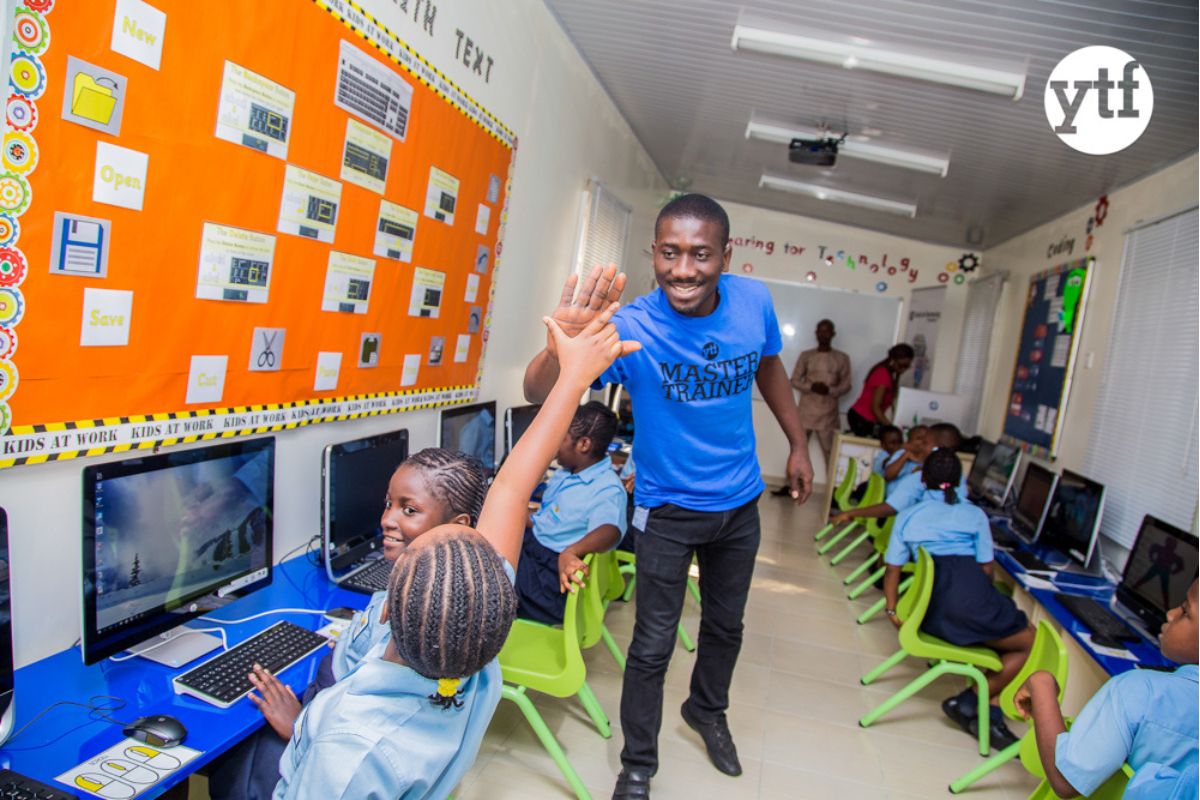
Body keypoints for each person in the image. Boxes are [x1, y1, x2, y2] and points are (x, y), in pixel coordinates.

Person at [271, 299, 639, 799]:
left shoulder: (347, 754)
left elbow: (327, 772)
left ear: (385, 616)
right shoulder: (475, 618)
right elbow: (510, 486)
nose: (391, 526)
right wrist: (571, 378)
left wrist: (304, 731)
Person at [522, 194, 814, 799]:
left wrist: (798, 443)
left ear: (725, 256)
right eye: (670, 253)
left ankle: (707, 712)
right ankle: (637, 765)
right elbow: (540, 390)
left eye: (700, 254)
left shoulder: (753, 302)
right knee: (652, 644)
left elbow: (769, 368)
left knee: (726, 627)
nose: (684, 269)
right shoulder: (632, 327)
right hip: (666, 509)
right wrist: (561, 345)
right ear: (653, 252)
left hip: (739, 504)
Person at [208, 448, 488, 800]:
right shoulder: (464, 603)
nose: (387, 519)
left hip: (319, 735)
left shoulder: (412, 623)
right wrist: (353, 638)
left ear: (456, 527)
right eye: (389, 503)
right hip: (328, 708)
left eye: (409, 509)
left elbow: (351, 743)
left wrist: (300, 724)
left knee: (228, 757)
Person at [883, 449, 1033, 750]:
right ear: (960, 481)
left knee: (997, 623)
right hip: (968, 607)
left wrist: (892, 608)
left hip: (928, 614)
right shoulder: (975, 515)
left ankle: (983, 708)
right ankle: (973, 700)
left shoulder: (908, 516)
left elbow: (892, 569)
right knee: (1029, 639)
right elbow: (987, 570)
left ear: (922, 479)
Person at [1015, 579, 1198, 799]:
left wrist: (1040, 684)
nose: (1171, 614)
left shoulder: (1139, 691)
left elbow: (1065, 781)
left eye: (1186, 611)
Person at [515, 401, 626, 624]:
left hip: (548, 580)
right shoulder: (569, 472)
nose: (555, 443)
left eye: (562, 437)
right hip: (537, 549)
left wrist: (572, 551)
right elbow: (550, 520)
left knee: (483, 573)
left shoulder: (607, 488)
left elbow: (610, 530)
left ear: (583, 444)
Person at [771, 319, 851, 495]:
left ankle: (835, 492)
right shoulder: (806, 355)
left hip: (828, 412)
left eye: (827, 331)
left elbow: (846, 385)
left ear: (833, 334)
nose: (823, 335)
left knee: (831, 454)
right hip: (807, 410)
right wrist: (812, 387)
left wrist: (829, 390)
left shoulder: (842, 358)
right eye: (820, 331)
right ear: (816, 333)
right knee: (797, 447)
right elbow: (794, 379)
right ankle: (790, 486)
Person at [832, 423, 968, 525]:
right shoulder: (961, 479)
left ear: (936, 448)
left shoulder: (920, 477)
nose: (921, 445)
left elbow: (890, 508)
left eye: (925, 442)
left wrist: (851, 513)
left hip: (919, 537)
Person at [846, 343, 914, 438]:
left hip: (866, 417)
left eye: (907, 366)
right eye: (901, 365)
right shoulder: (883, 374)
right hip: (862, 418)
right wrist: (890, 427)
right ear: (892, 360)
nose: (903, 370)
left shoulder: (889, 374)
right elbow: (875, 407)